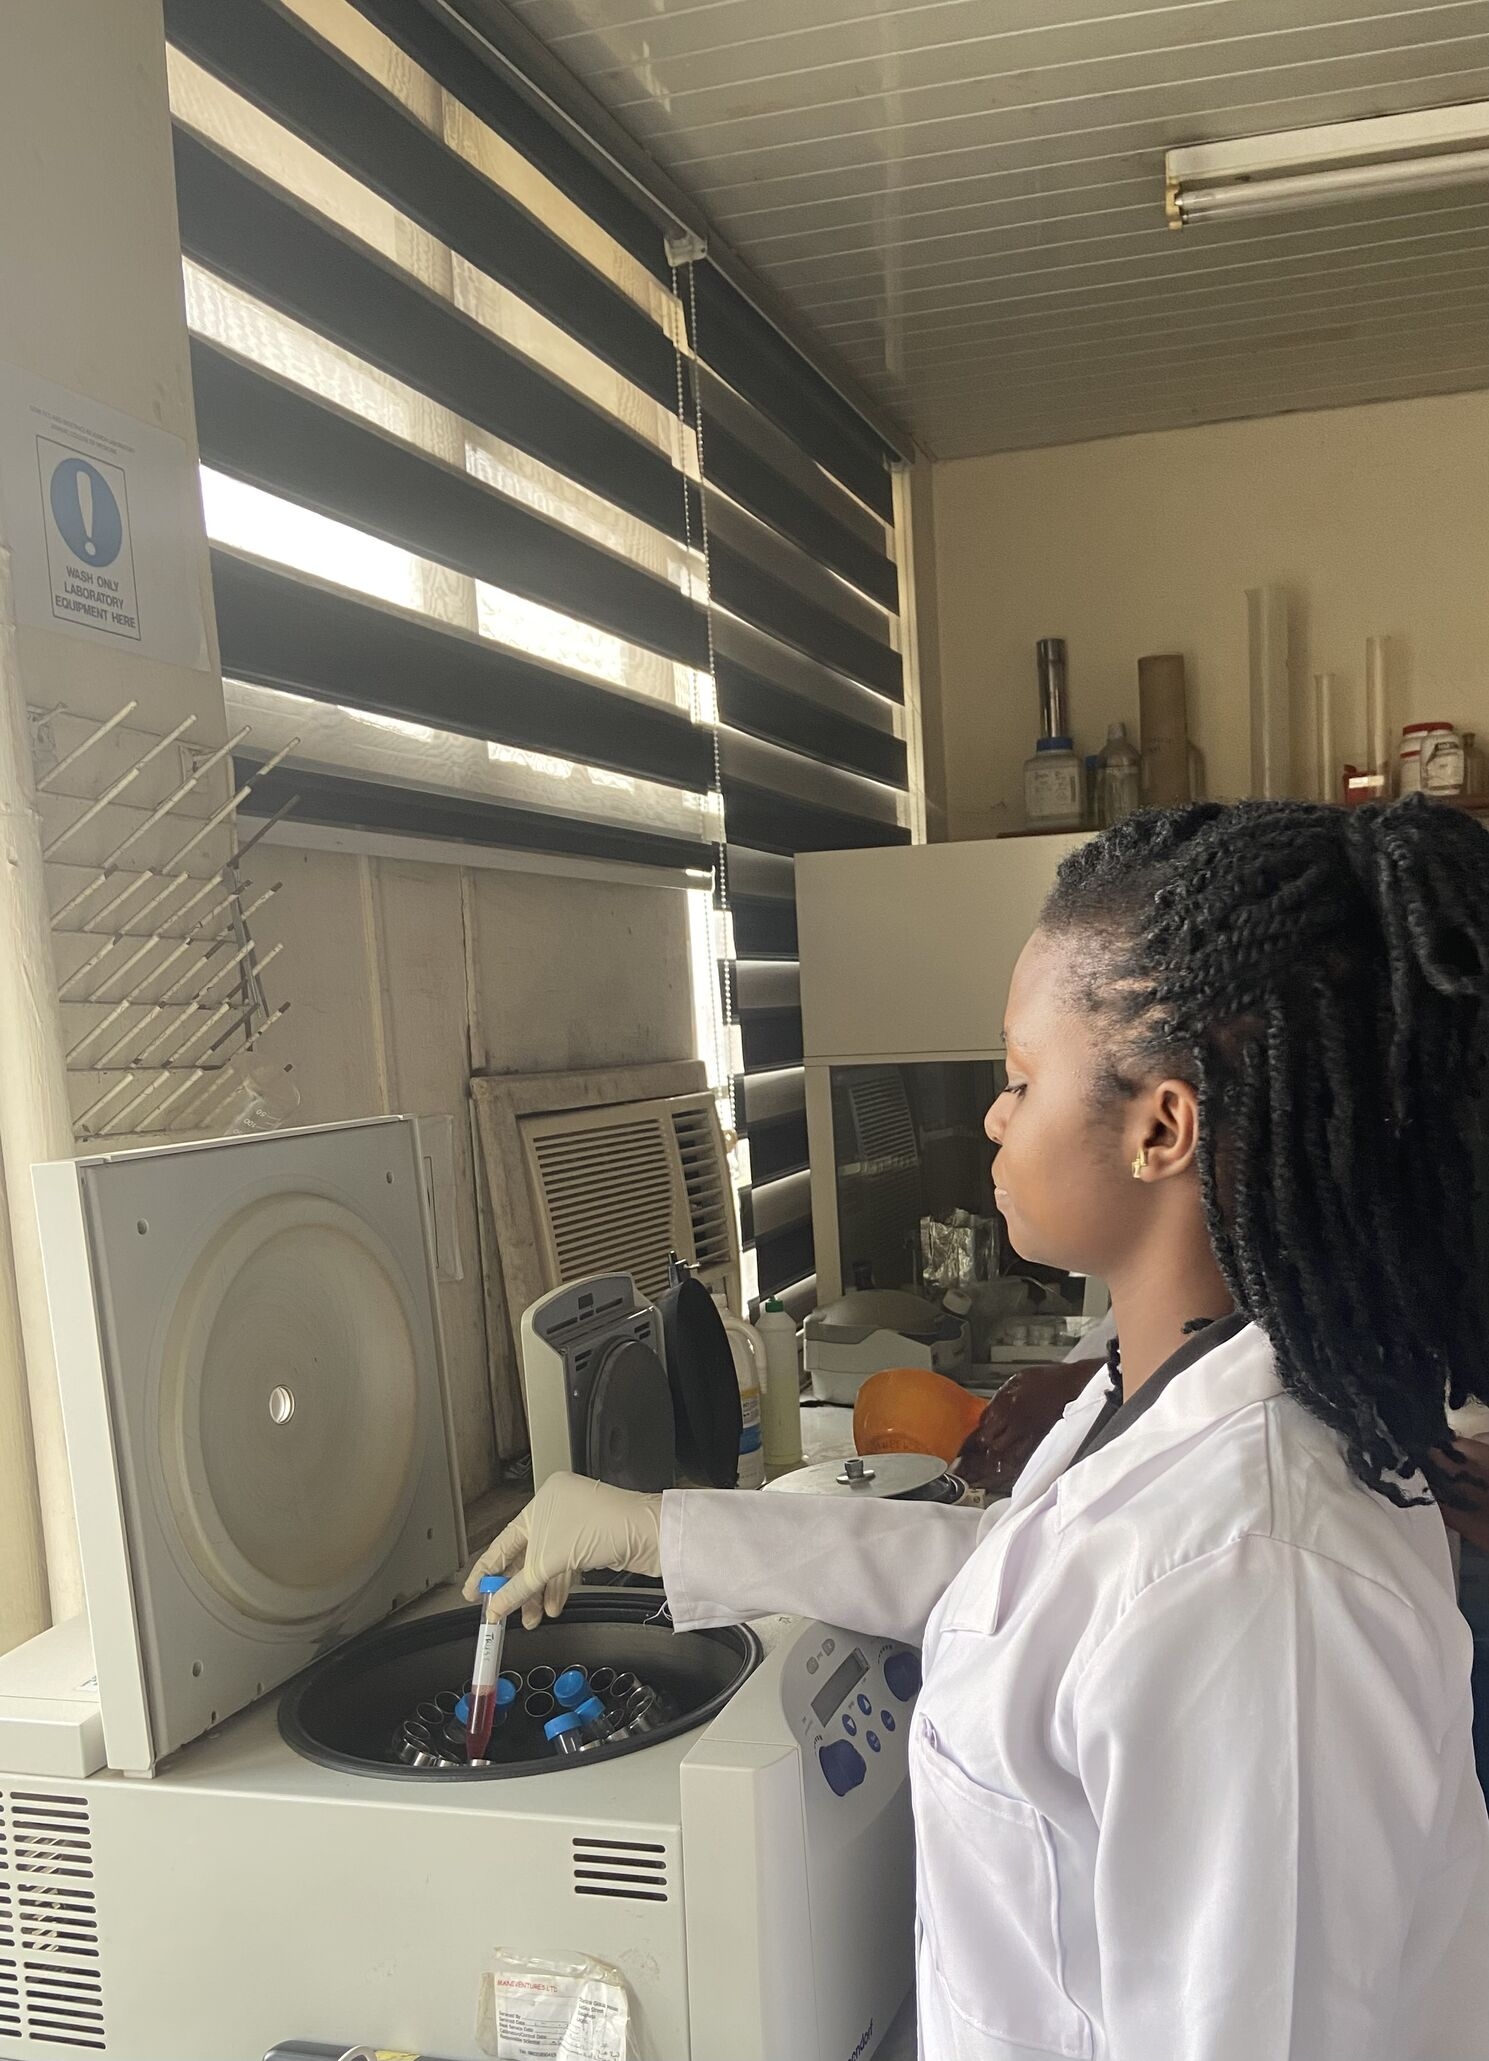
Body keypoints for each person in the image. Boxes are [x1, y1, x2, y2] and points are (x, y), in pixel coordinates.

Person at [469, 798, 1489, 2061]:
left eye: (1018, 1079)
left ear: (1161, 1125)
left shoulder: (1254, 1586)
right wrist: (658, 1531)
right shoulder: (1152, 1395)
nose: (995, 1119)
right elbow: (1023, 1584)